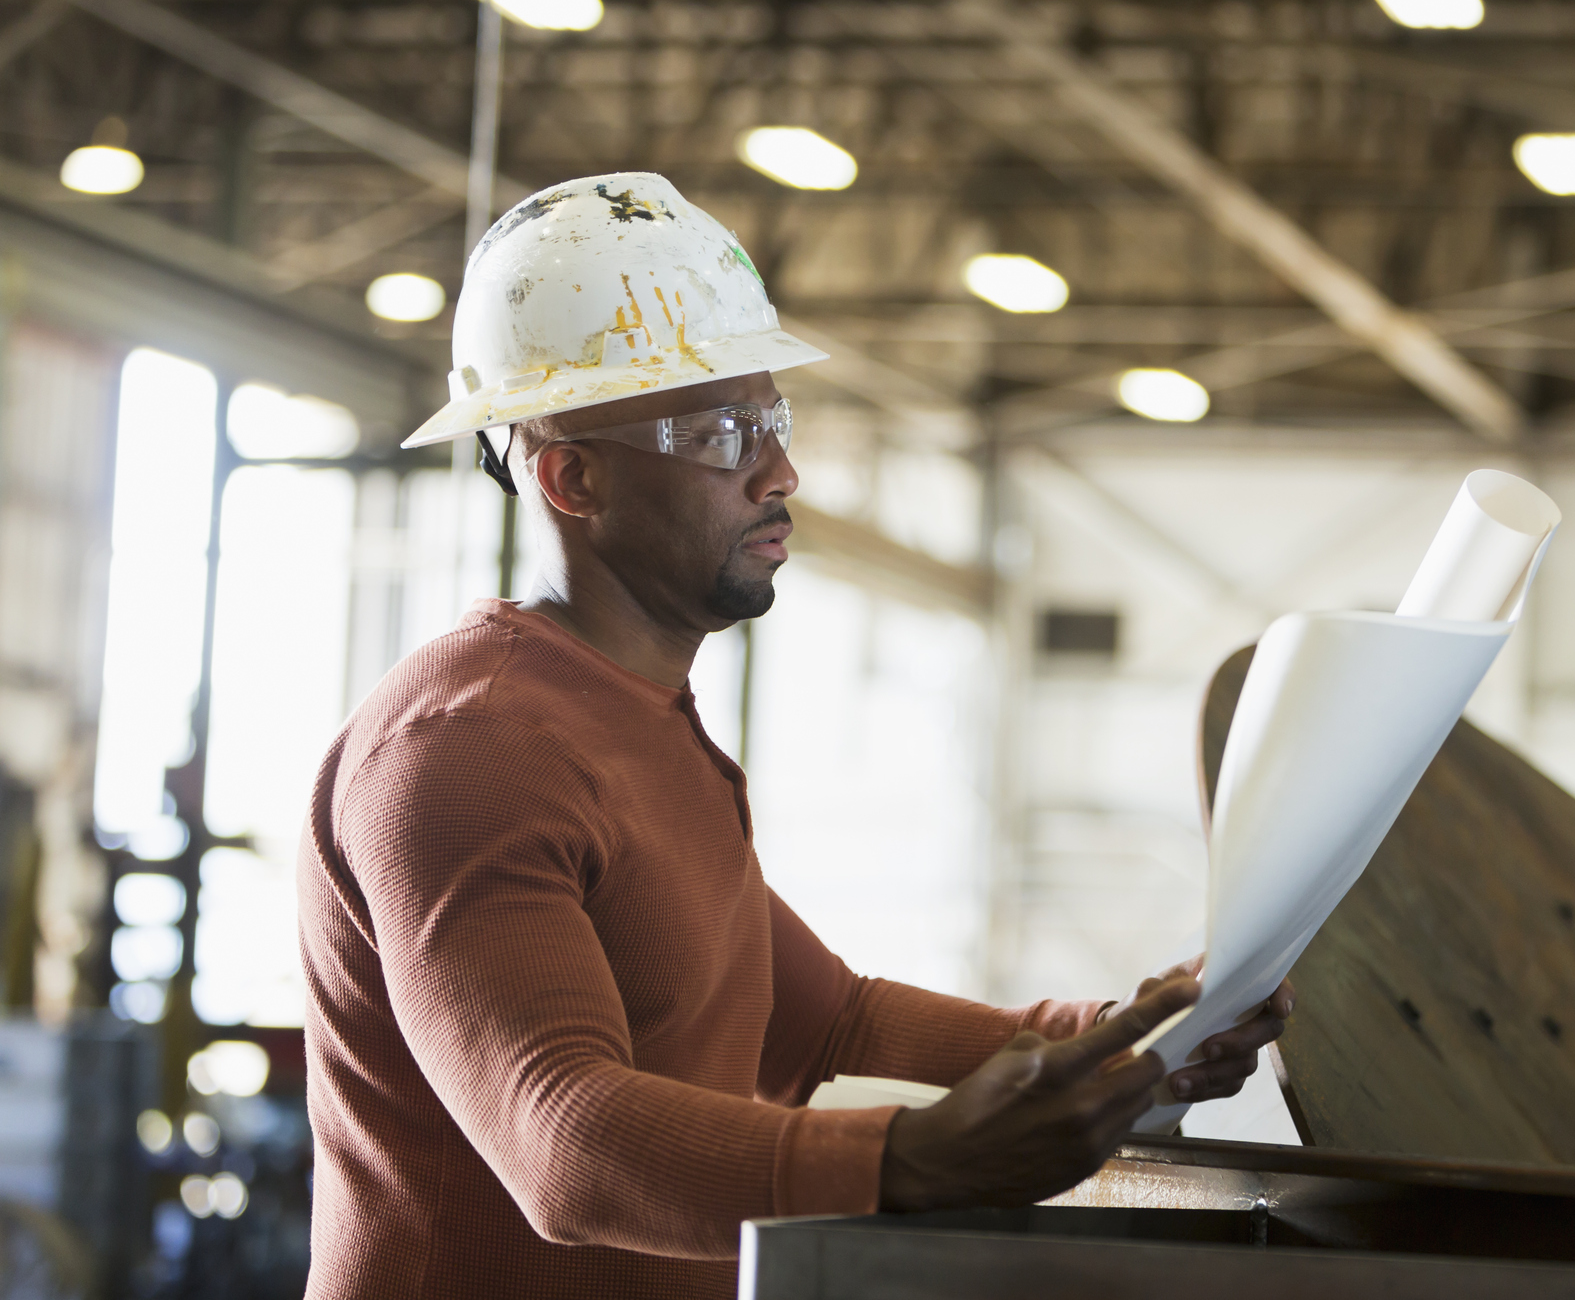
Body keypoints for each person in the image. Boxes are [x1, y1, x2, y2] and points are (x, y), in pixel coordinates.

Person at [297, 172, 1292, 1298]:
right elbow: (561, 1141)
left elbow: (826, 1026)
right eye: (722, 434)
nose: (781, 472)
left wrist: (1121, 1042)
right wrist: (908, 1162)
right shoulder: (469, 748)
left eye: (773, 421)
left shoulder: (638, 725)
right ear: (572, 476)